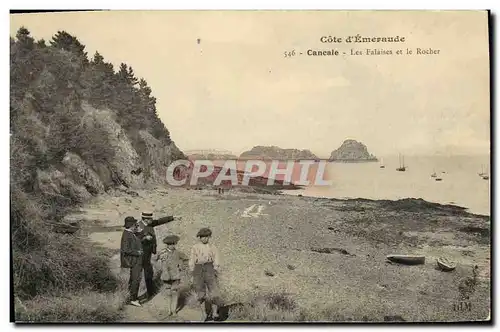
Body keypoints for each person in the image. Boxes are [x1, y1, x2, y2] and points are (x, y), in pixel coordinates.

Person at [135, 211, 182, 299]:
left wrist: (173, 217)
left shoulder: (149, 224)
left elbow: (160, 221)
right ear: (145, 219)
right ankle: (135, 295)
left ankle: (150, 292)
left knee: (149, 273)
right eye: (150, 219)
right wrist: (144, 238)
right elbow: (135, 240)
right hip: (140, 254)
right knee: (139, 274)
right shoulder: (138, 226)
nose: (152, 220)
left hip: (148, 253)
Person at [189, 227, 222, 321]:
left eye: (206, 237)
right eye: (202, 237)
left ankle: (215, 313)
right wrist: (192, 272)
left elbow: (217, 259)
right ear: (199, 237)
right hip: (198, 269)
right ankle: (203, 314)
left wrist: (215, 269)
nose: (204, 239)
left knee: (214, 291)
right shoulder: (195, 247)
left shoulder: (213, 247)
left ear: (209, 237)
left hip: (209, 268)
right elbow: (192, 260)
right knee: (200, 293)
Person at [155, 234, 189, 316]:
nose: (172, 246)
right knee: (168, 294)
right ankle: (168, 310)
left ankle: (173, 311)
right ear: (167, 244)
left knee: (174, 293)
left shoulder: (178, 253)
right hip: (166, 277)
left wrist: (182, 267)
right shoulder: (162, 252)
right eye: (170, 244)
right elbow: (154, 260)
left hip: (176, 276)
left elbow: (186, 259)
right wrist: (160, 267)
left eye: (174, 244)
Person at [120, 216, 143, 307]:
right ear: (131, 225)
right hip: (133, 261)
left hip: (134, 260)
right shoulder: (127, 234)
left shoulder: (130, 233)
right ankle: (133, 299)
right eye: (134, 225)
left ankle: (130, 297)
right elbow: (125, 249)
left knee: (133, 279)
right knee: (136, 280)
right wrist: (137, 252)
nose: (136, 226)